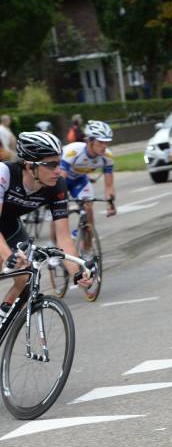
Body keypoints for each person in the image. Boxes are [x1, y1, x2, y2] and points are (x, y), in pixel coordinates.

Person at [0, 132, 92, 317]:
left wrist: (76, 272)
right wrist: (8, 256)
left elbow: (63, 237)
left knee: (26, 278)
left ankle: (2, 315)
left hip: (9, 224)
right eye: (51, 164)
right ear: (30, 165)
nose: (58, 170)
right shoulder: (4, 174)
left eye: (59, 163)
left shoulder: (57, 186)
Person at [60, 121, 117, 244]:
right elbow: (60, 179)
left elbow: (109, 185)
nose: (104, 146)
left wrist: (110, 204)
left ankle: (87, 248)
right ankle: (55, 245)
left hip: (80, 181)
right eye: (100, 142)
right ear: (90, 141)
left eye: (107, 142)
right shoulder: (73, 151)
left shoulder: (107, 156)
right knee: (58, 213)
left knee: (88, 206)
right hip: (63, 180)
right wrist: (57, 198)